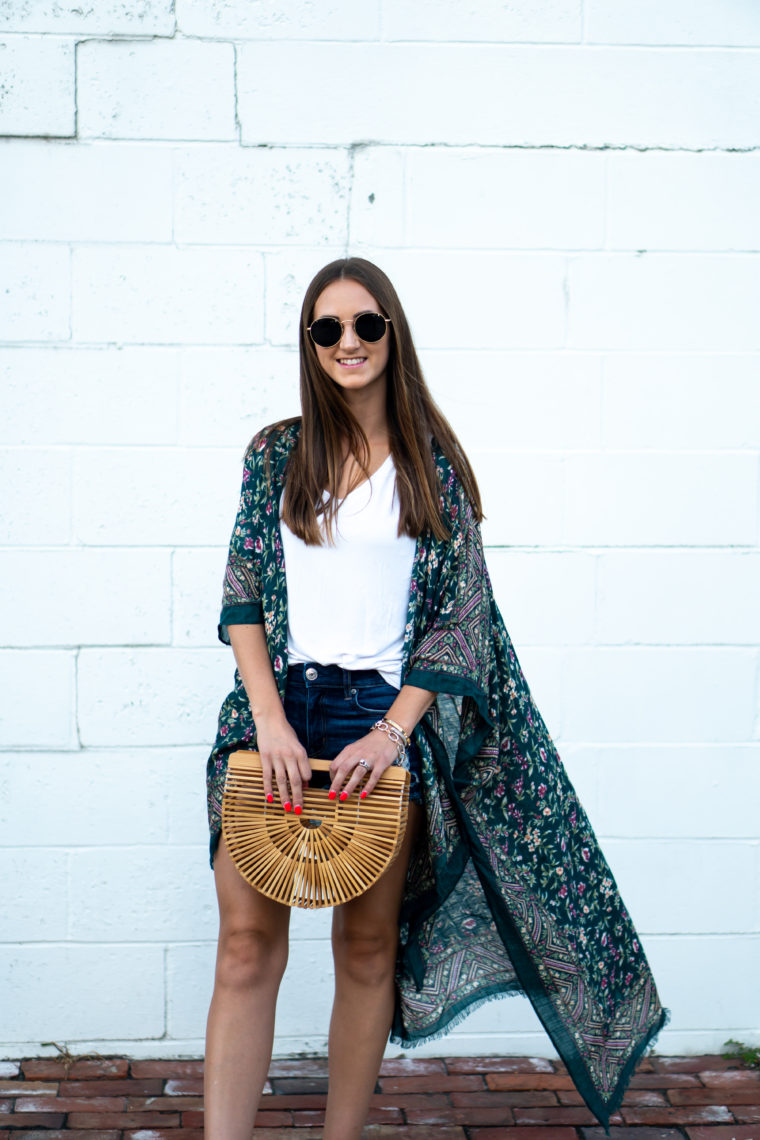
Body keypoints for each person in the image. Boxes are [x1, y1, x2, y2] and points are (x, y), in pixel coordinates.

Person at [203, 257, 668, 1140]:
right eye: (328, 328)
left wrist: (393, 732)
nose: (349, 342)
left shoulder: (433, 467)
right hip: (277, 714)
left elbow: (462, 620)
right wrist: (266, 719)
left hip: (381, 721)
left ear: (394, 334)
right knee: (243, 945)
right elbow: (241, 597)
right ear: (309, 344)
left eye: (366, 324)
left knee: (366, 947)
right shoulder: (275, 455)